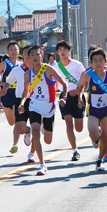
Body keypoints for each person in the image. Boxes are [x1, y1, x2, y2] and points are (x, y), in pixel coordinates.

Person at [19, 45, 67, 175]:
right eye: (32, 55)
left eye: (37, 54)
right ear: (29, 58)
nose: (35, 57)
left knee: (48, 140)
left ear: (42, 55)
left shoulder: (48, 69)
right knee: (35, 133)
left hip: (49, 107)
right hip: (35, 105)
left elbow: (64, 83)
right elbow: (26, 92)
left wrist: (64, 97)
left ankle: (41, 127)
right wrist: (22, 103)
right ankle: (42, 164)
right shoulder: (27, 74)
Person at [77, 47, 107, 172]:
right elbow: (81, 87)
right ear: (91, 63)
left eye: (101, 60)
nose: (98, 63)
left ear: (105, 62)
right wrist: (80, 98)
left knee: (106, 137)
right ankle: (96, 140)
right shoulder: (87, 75)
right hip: (93, 109)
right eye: (95, 60)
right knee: (93, 133)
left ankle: (100, 160)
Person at [53, 40, 86, 161]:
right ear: (57, 52)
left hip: (78, 97)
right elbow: (54, 84)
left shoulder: (77, 65)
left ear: (69, 51)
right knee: (68, 123)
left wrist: (78, 92)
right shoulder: (56, 68)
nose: (62, 52)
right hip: (64, 97)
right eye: (60, 50)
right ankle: (75, 150)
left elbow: (85, 79)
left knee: (79, 128)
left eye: (65, 50)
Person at [3, 44, 34, 161]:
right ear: (22, 55)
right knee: (20, 127)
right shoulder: (16, 70)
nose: (27, 55)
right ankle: (27, 131)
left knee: (38, 129)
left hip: (36, 100)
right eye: (25, 53)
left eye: (29, 53)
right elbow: (8, 83)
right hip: (20, 101)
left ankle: (32, 153)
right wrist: (5, 89)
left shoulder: (39, 69)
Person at [0, 41, 20, 126]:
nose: (13, 51)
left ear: (18, 51)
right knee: (11, 123)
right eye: (11, 49)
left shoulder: (21, 65)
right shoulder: (3, 65)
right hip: (6, 94)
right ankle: (26, 129)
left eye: (15, 49)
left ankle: (25, 131)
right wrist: (6, 84)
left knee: (18, 120)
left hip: (18, 94)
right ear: (8, 52)